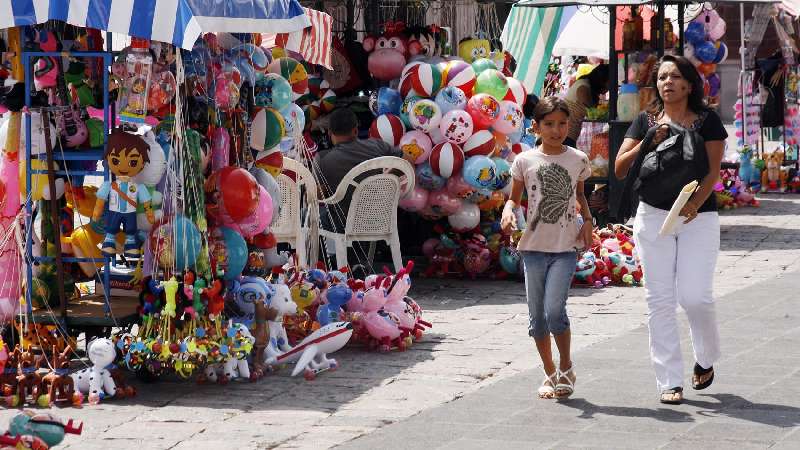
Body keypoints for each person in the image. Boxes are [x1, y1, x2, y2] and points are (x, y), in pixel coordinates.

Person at [614, 55, 727, 405]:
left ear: (689, 84)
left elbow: (713, 171)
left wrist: (694, 203)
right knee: (658, 300)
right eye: (662, 77)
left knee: (696, 298)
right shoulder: (645, 120)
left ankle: (706, 358)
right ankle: (669, 381)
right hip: (652, 218)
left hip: (697, 218)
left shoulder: (706, 121)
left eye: (676, 76)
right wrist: (648, 139)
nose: (668, 82)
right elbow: (619, 170)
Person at [501, 96, 592, 399]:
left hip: (565, 247)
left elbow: (579, 196)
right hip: (532, 248)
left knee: (555, 311)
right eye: (549, 124)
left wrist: (589, 220)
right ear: (535, 127)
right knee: (536, 318)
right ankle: (549, 372)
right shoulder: (524, 161)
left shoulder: (578, 158)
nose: (556, 130)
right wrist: (507, 209)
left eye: (562, 124)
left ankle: (567, 365)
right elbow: (515, 198)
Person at [314, 107, 403, 233]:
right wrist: (388, 178)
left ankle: (328, 253)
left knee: (310, 214)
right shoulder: (378, 146)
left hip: (342, 225)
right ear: (356, 130)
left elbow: (315, 195)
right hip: (381, 219)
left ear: (329, 133)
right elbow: (406, 161)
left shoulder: (322, 159)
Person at [564, 63, 609, 147]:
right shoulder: (583, 87)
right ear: (601, 80)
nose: (608, 88)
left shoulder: (584, 84)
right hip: (566, 135)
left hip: (568, 134)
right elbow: (593, 113)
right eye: (608, 84)